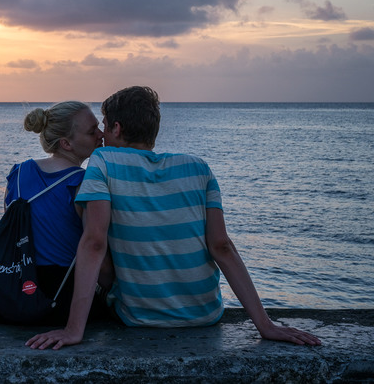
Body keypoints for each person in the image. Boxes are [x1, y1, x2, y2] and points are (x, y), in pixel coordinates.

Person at [26, 86, 321, 349]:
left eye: (103, 126)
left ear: (116, 127)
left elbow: (93, 243)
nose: (101, 135)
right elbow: (222, 247)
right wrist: (265, 326)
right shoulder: (198, 167)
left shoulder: (104, 162)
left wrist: (73, 330)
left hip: (138, 317)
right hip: (205, 314)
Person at [0, 100, 105, 325]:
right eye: (92, 131)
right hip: (58, 296)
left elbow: (18, 233)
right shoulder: (82, 184)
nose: (101, 134)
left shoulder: (19, 173)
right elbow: (94, 248)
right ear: (66, 144)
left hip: (14, 290)